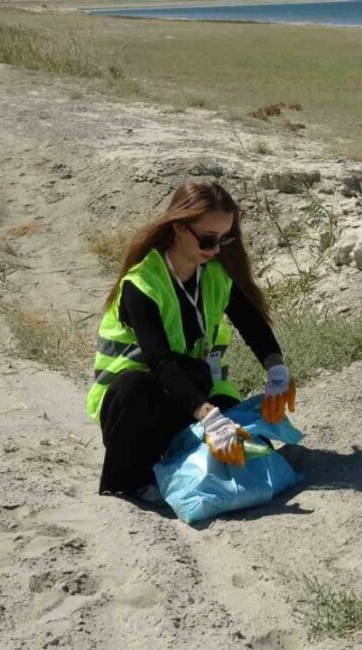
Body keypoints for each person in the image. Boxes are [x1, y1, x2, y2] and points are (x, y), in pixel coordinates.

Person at [86, 181, 296, 500]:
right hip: (139, 400)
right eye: (208, 239)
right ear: (179, 228)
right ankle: (132, 479)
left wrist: (276, 367)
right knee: (138, 391)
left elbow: (253, 326)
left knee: (249, 448)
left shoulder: (213, 274)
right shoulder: (141, 284)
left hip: (192, 387)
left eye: (224, 239)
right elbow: (159, 362)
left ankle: (180, 454)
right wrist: (208, 415)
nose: (215, 250)